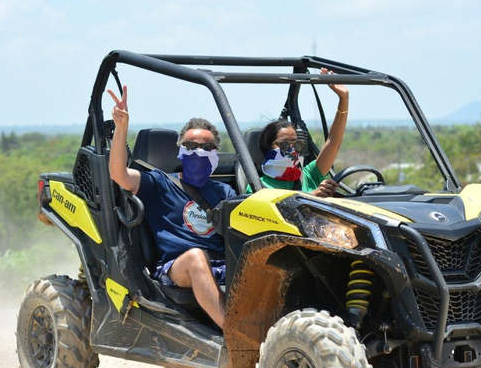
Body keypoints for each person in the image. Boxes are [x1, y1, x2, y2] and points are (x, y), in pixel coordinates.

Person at [107, 86, 235, 330]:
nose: (198, 152)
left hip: (221, 265)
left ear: (216, 152)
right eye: (191, 145)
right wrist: (121, 127)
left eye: (206, 147)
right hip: (177, 267)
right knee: (197, 258)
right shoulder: (160, 182)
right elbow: (119, 174)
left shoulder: (224, 192)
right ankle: (236, 337)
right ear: (180, 150)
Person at [251, 68, 349, 198]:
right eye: (284, 144)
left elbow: (334, 142)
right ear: (269, 147)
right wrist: (311, 196)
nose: (292, 149)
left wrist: (344, 98)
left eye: (296, 144)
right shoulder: (259, 186)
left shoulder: (309, 176)